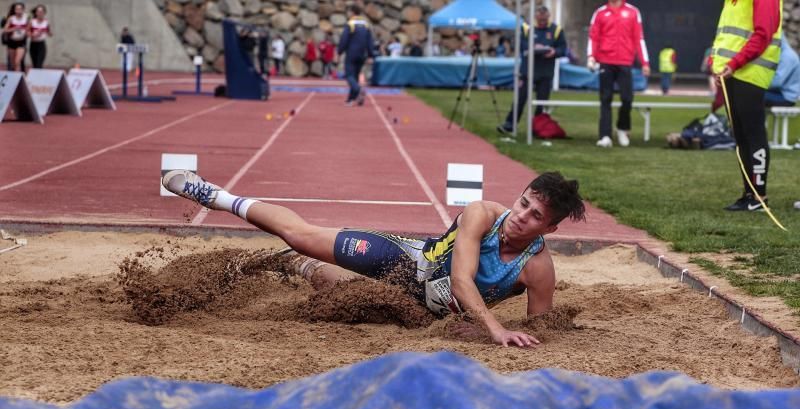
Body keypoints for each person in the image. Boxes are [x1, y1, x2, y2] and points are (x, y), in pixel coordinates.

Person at [161, 168, 585, 347]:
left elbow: (538, 328)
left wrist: (519, 334)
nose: (521, 217)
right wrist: (492, 326)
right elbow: (461, 280)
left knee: (338, 293)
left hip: (422, 315)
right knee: (303, 235)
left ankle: (295, 265)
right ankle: (218, 196)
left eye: (535, 216)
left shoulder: (538, 270)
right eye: (524, 202)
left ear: (550, 229)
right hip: (404, 261)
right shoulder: (482, 214)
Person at [711, 0, 781, 212]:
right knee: (740, 135)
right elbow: (726, 35)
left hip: (750, 71)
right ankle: (749, 194)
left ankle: (759, 196)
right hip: (732, 71)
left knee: (753, 133)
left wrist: (733, 64)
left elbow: (763, 34)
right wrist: (716, 64)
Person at [587, 0, 651, 148]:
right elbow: (594, 37)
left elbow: (639, 39)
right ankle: (605, 136)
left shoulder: (633, 12)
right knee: (605, 98)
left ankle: (622, 128)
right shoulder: (600, 13)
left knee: (627, 98)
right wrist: (591, 56)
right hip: (605, 60)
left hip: (625, 61)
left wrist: (645, 63)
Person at [497, 6, 566, 135]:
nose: (542, 22)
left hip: (545, 72)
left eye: (544, 20)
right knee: (520, 98)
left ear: (548, 17)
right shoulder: (526, 28)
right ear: (535, 17)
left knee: (542, 101)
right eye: (540, 19)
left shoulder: (556, 30)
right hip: (527, 71)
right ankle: (510, 124)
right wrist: (532, 47)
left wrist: (554, 52)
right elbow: (517, 44)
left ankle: (538, 127)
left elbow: (563, 49)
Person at [337, 5, 375, 106]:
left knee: (349, 75)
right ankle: (351, 99)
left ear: (353, 12)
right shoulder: (366, 24)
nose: (348, 14)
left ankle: (358, 90)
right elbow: (370, 41)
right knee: (354, 77)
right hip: (362, 55)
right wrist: (371, 55)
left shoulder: (350, 24)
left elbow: (344, 40)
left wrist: (339, 52)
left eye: (349, 12)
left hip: (351, 54)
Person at [765, 37, 799, 107]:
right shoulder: (784, 53)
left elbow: (777, 82)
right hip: (780, 92)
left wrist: (759, 84)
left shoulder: (787, 57)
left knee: (754, 95)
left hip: (786, 98)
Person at [3, 2, 28, 72]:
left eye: (20, 9)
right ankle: (15, 78)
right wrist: (13, 29)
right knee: (13, 63)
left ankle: (18, 80)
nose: (18, 11)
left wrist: (28, 32)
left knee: (17, 62)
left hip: (21, 42)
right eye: (17, 9)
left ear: (23, 10)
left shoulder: (26, 18)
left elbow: (29, 29)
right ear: (14, 10)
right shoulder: (11, 18)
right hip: (12, 42)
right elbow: (5, 30)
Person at [27, 4, 50, 69]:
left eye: (42, 12)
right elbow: (27, 32)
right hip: (33, 44)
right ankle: (35, 78)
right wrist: (33, 34)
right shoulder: (32, 21)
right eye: (38, 12)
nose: (40, 13)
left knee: (39, 64)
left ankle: (39, 78)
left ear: (44, 13)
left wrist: (46, 32)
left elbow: (50, 33)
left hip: (41, 44)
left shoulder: (46, 22)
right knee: (34, 64)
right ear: (36, 13)